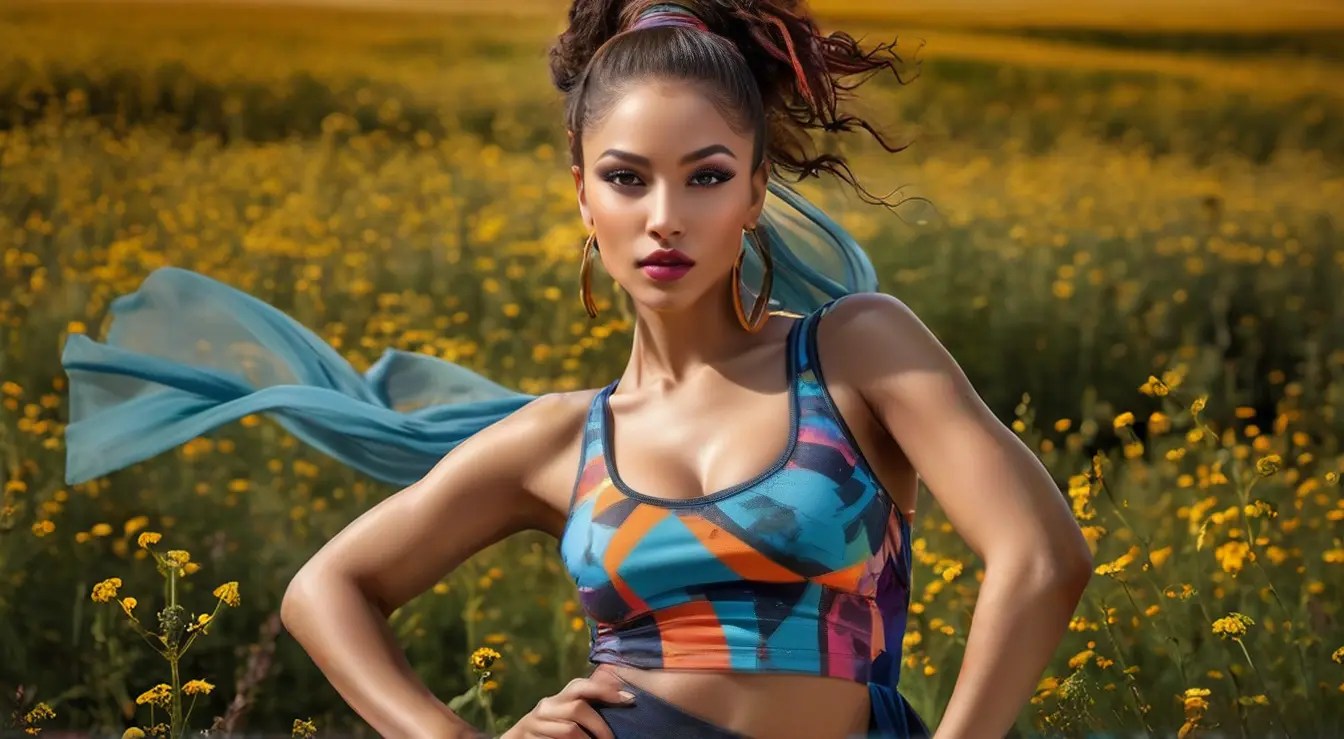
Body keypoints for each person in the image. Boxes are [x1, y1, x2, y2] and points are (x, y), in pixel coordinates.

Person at [60, 1, 1093, 737]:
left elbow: (1043, 559)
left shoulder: (856, 351)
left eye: (706, 177)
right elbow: (326, 588)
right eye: (626, 178)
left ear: (755, 190)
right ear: (581, 194)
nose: (664, 217)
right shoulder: (561, 438)